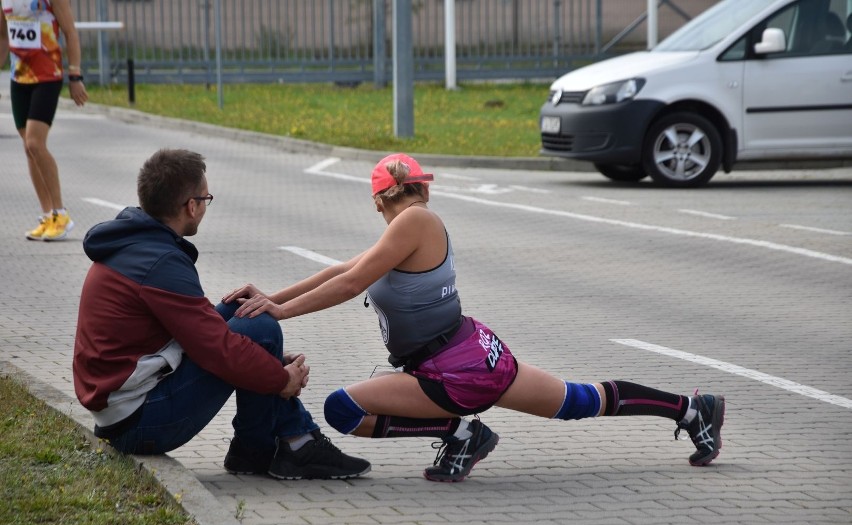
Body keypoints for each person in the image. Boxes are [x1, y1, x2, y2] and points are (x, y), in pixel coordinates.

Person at [226, 153, 725, 483]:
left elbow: (351, 284)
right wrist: (274, 296)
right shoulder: (407, 229)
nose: (422, 195)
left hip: (450, 368)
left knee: (343, 411)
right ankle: (689, 408)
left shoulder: (414, 223)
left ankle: (461, 433)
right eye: (418, 186)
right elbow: (343, 269)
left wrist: (281, 311)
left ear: (378, 197)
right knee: (579, 400)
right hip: (472, 353)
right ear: (408, 190)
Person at [73, 148, 371, 480]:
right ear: (191, 206)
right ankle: (270, 447)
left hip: (122, 407)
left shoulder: (138, 244)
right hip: (138, 422)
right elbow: (216, 348)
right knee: (259, 329)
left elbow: (202, 332)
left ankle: (285, 443)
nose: (205, 206)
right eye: (206, 198)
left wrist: (267, 362)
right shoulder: (159, 262)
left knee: (242, 307)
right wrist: (281, 378)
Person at [0, 0, 88, 241]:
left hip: (47, 76)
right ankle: (48, 215)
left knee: (35, 143)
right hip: (19, 79)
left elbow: (70, 32)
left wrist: (75, 74)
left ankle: (61, 213)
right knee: (29, 149)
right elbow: (3, 38)